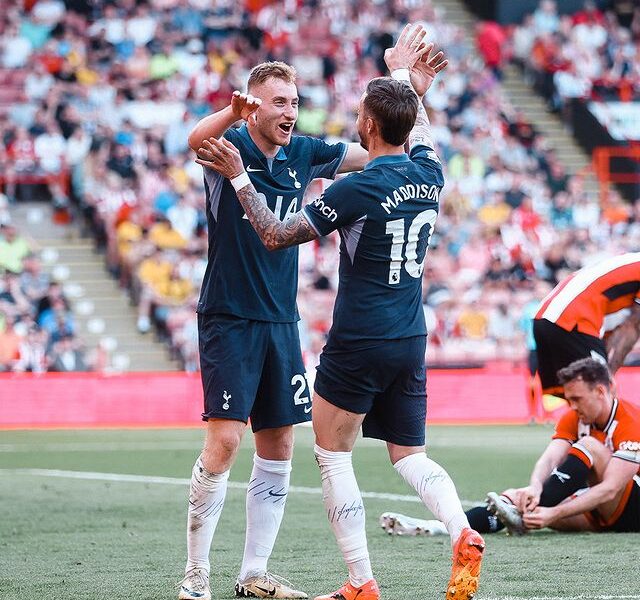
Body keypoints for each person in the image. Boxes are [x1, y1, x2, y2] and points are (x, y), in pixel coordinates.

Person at [198, 24, 485, 600]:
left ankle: (360, 581)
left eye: (360, 111)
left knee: (331, 451)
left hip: (359, 337)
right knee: (411, 456)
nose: (353, 117)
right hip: (411, 334)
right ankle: (461, 528)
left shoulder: (357, 188)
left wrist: (238, 179)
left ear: (370, 126)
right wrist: (407, 82)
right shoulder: (431, 172)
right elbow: (417, 125)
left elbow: (278, 234)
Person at [179, 61, 370, 600]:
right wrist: (228, 113)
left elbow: (370, 157)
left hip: (281, 320)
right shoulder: (228, 146)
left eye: (294, 101)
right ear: (254, 105)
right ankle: (196, 574)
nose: (290, 111)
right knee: (223, 442)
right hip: (229, 315)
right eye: (279, 102)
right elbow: (194, 138)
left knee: (280, 443)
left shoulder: (305, 153)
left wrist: (404, 114)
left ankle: (252, 573)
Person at [380, 357, 640, 537]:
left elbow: (610, 489)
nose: (571, 406)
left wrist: (554, 512)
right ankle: (438, 527)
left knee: (590, 447)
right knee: (518, 500)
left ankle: (525, 510)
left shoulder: (630, 420)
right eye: (568, 399)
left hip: (631, 512)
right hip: (597, 514)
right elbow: (549, 459)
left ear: (600, 392)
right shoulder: (576, 417)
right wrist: (535, 489)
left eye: (577, 399)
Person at [533, 252, 640, 411]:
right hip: (573, 320)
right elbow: (633, 327)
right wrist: (608, 373)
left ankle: (571, 436)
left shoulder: (629, 262)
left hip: (545, 317)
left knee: (578, 396)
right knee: (602, 393)